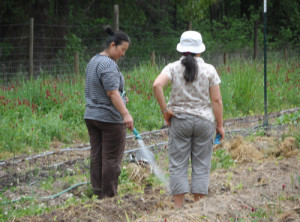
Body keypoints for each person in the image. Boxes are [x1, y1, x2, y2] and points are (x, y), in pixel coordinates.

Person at [153, 30, 225, 208]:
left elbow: (157, 85)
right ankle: (199, 208)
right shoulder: (209, 70)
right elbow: (216, 100)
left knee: (178, 164)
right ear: (200, 49)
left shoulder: (172, 68)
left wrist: (165, 111)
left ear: (181, 49)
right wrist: (220, 125)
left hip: (180, 121)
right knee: (201, 165)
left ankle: (179, 209)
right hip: (204, 122)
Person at [84, 26, 134, 199]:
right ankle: (109, 197)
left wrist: (121, 99)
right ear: (113, 45)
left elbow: (106, 91)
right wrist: (126, 114)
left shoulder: (94, 61)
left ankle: (98, 193)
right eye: (122, 50)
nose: (123, 54)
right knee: (111, 159)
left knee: (97, 155)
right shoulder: (108, 64)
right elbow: (112, 92)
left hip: (91, 116)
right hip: (109, 119)